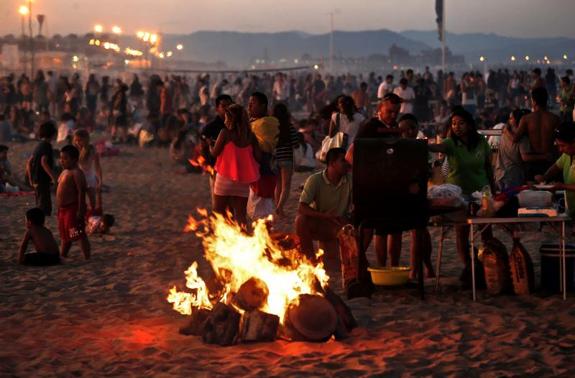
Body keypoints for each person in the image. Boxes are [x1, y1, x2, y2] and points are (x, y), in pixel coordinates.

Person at [429, 108, 494, 286]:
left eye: (461, 123)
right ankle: (470, 268)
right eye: (454, 124)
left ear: (470, 124)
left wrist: (493, 190)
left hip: (481, 191)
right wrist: (422, 144)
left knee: (486, 231)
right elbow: (437, 147)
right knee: (462, 231)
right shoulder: (450, 143)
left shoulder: (481, 141)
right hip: (458, 195)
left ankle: (490, 265)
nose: (457, 127)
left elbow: (488, 167)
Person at [296, 147, 351, 260]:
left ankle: (358, 259)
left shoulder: (351, 179)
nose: (347, 164)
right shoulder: (315, 180)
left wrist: (348, 218)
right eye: (343, 160)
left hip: (342, 225)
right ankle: (310, 260)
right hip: (322, 224)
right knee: (301, 220)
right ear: (332, 163)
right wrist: (325, 216)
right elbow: (302, 208)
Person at [211, 104, 261, 227]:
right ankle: (242, 239)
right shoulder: (251, 136)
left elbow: (214, 153)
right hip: (243, 181)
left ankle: (220, 240)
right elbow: (258, 157)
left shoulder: (225, 133)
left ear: (231, 119)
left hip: (224, 178)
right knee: (240, 215)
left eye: (227, 117)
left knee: (219, 211)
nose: (225, 120)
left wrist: (209, 146)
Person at [507, 87, 560, 180]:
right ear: (546, 100)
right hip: (549, 161)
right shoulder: (554, 118)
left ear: (534, 101)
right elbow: (561, 140)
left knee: (532, 192)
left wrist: (506, 130)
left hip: (533, 162)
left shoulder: (526, 119)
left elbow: (515, 138)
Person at [57, 145, 91, 259]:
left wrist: (80, 210)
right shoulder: (65, 172)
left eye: (65, 158)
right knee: (65, 235)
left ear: (75, 159)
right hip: (63, 209)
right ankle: (63, 255)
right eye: (61, 158)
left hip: (72, 208)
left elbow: (81, 192)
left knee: (77, 233)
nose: (62, 161)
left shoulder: (77, 173)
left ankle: (87, 257)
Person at [535, 122, 575, 218]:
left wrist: (562, 186)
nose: (560, 150)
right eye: (558, 146)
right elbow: (556, 167)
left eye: (563, 145)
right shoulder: (566, 155)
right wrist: (544, 178)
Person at [201, 94, 233, 205]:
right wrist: (209, 165)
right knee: (219, 206)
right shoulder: (210, 128)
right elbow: (204, 149)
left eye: (230, 106)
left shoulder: (238, 126)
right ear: (217, 109)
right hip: (217, 170)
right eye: (224, 106)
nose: (227, 109)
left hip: (235, 172)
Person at [494, 109, 535, 190]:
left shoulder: (505, 133)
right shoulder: (523, 139)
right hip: (513, 176)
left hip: (499, 174)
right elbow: (525, 157)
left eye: (511, 118)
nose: (509, 120)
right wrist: (544, 156)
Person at [273, 103, 298, 218]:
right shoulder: (289, 127)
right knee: (286, 186)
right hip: (286, 159)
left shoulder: (273, 127)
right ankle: (279, 208)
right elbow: (296, 144)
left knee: (278, 185)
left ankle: (279, 209)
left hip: (275, 159)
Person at [28, 121, 58, 216]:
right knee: (45, 206)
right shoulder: (47, 146)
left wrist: (30, 179)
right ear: (53, 134)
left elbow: (29, 162)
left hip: (36, 179)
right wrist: (54, 177)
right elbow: (43, 161)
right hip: (42, 180)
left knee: (40, 202)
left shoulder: (38, 145)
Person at [72, 129, 102, 213]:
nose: (78, 142)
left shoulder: (91, 149)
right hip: (78, 177)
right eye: (76, 140)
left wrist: (100, 180)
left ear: (86, 139)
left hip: (89, 177)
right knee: (79, 202)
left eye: (80, 140)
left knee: (92, 202)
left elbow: (97, 166)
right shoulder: (74, 149)